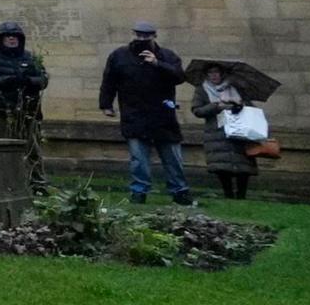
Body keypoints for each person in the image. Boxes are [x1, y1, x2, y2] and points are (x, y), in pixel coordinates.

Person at [98, 20, 191, 205]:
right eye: (138, 35)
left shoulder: (167, 55)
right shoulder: (119, 56)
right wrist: (106, 105)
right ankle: (139, 192)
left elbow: (180, 77)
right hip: (134, 113)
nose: (142, 39)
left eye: (146, 36)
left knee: (172, 157)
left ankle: (179, 190)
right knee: (138, 159)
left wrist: (157, 63)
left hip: (163, 115)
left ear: (154, 36)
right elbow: (109, 81)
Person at [0, 20, 50, 189]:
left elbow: (44, 79)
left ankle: (37, 183)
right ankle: (7, 182)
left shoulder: (31, 57)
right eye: (8, 36)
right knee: (4, 147)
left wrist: (29, 81)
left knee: (32, 148)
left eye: (15, 36)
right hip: (3, 110)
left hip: (29, 110)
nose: (11, 39)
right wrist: (5, 81)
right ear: (1, 39)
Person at [190, 68, 257, 202]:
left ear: (222, 74)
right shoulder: (202, 89)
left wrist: (239, 105)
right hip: (217, 132)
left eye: (216, 72)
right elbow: (197, 110)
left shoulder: (235, 88)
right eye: (210, 73)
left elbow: (250, 106)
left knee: (243, 164)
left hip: (239, 130)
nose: (213, 75)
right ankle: (228, 194)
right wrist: (216, 106)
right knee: (222, 166)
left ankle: (241, 195)